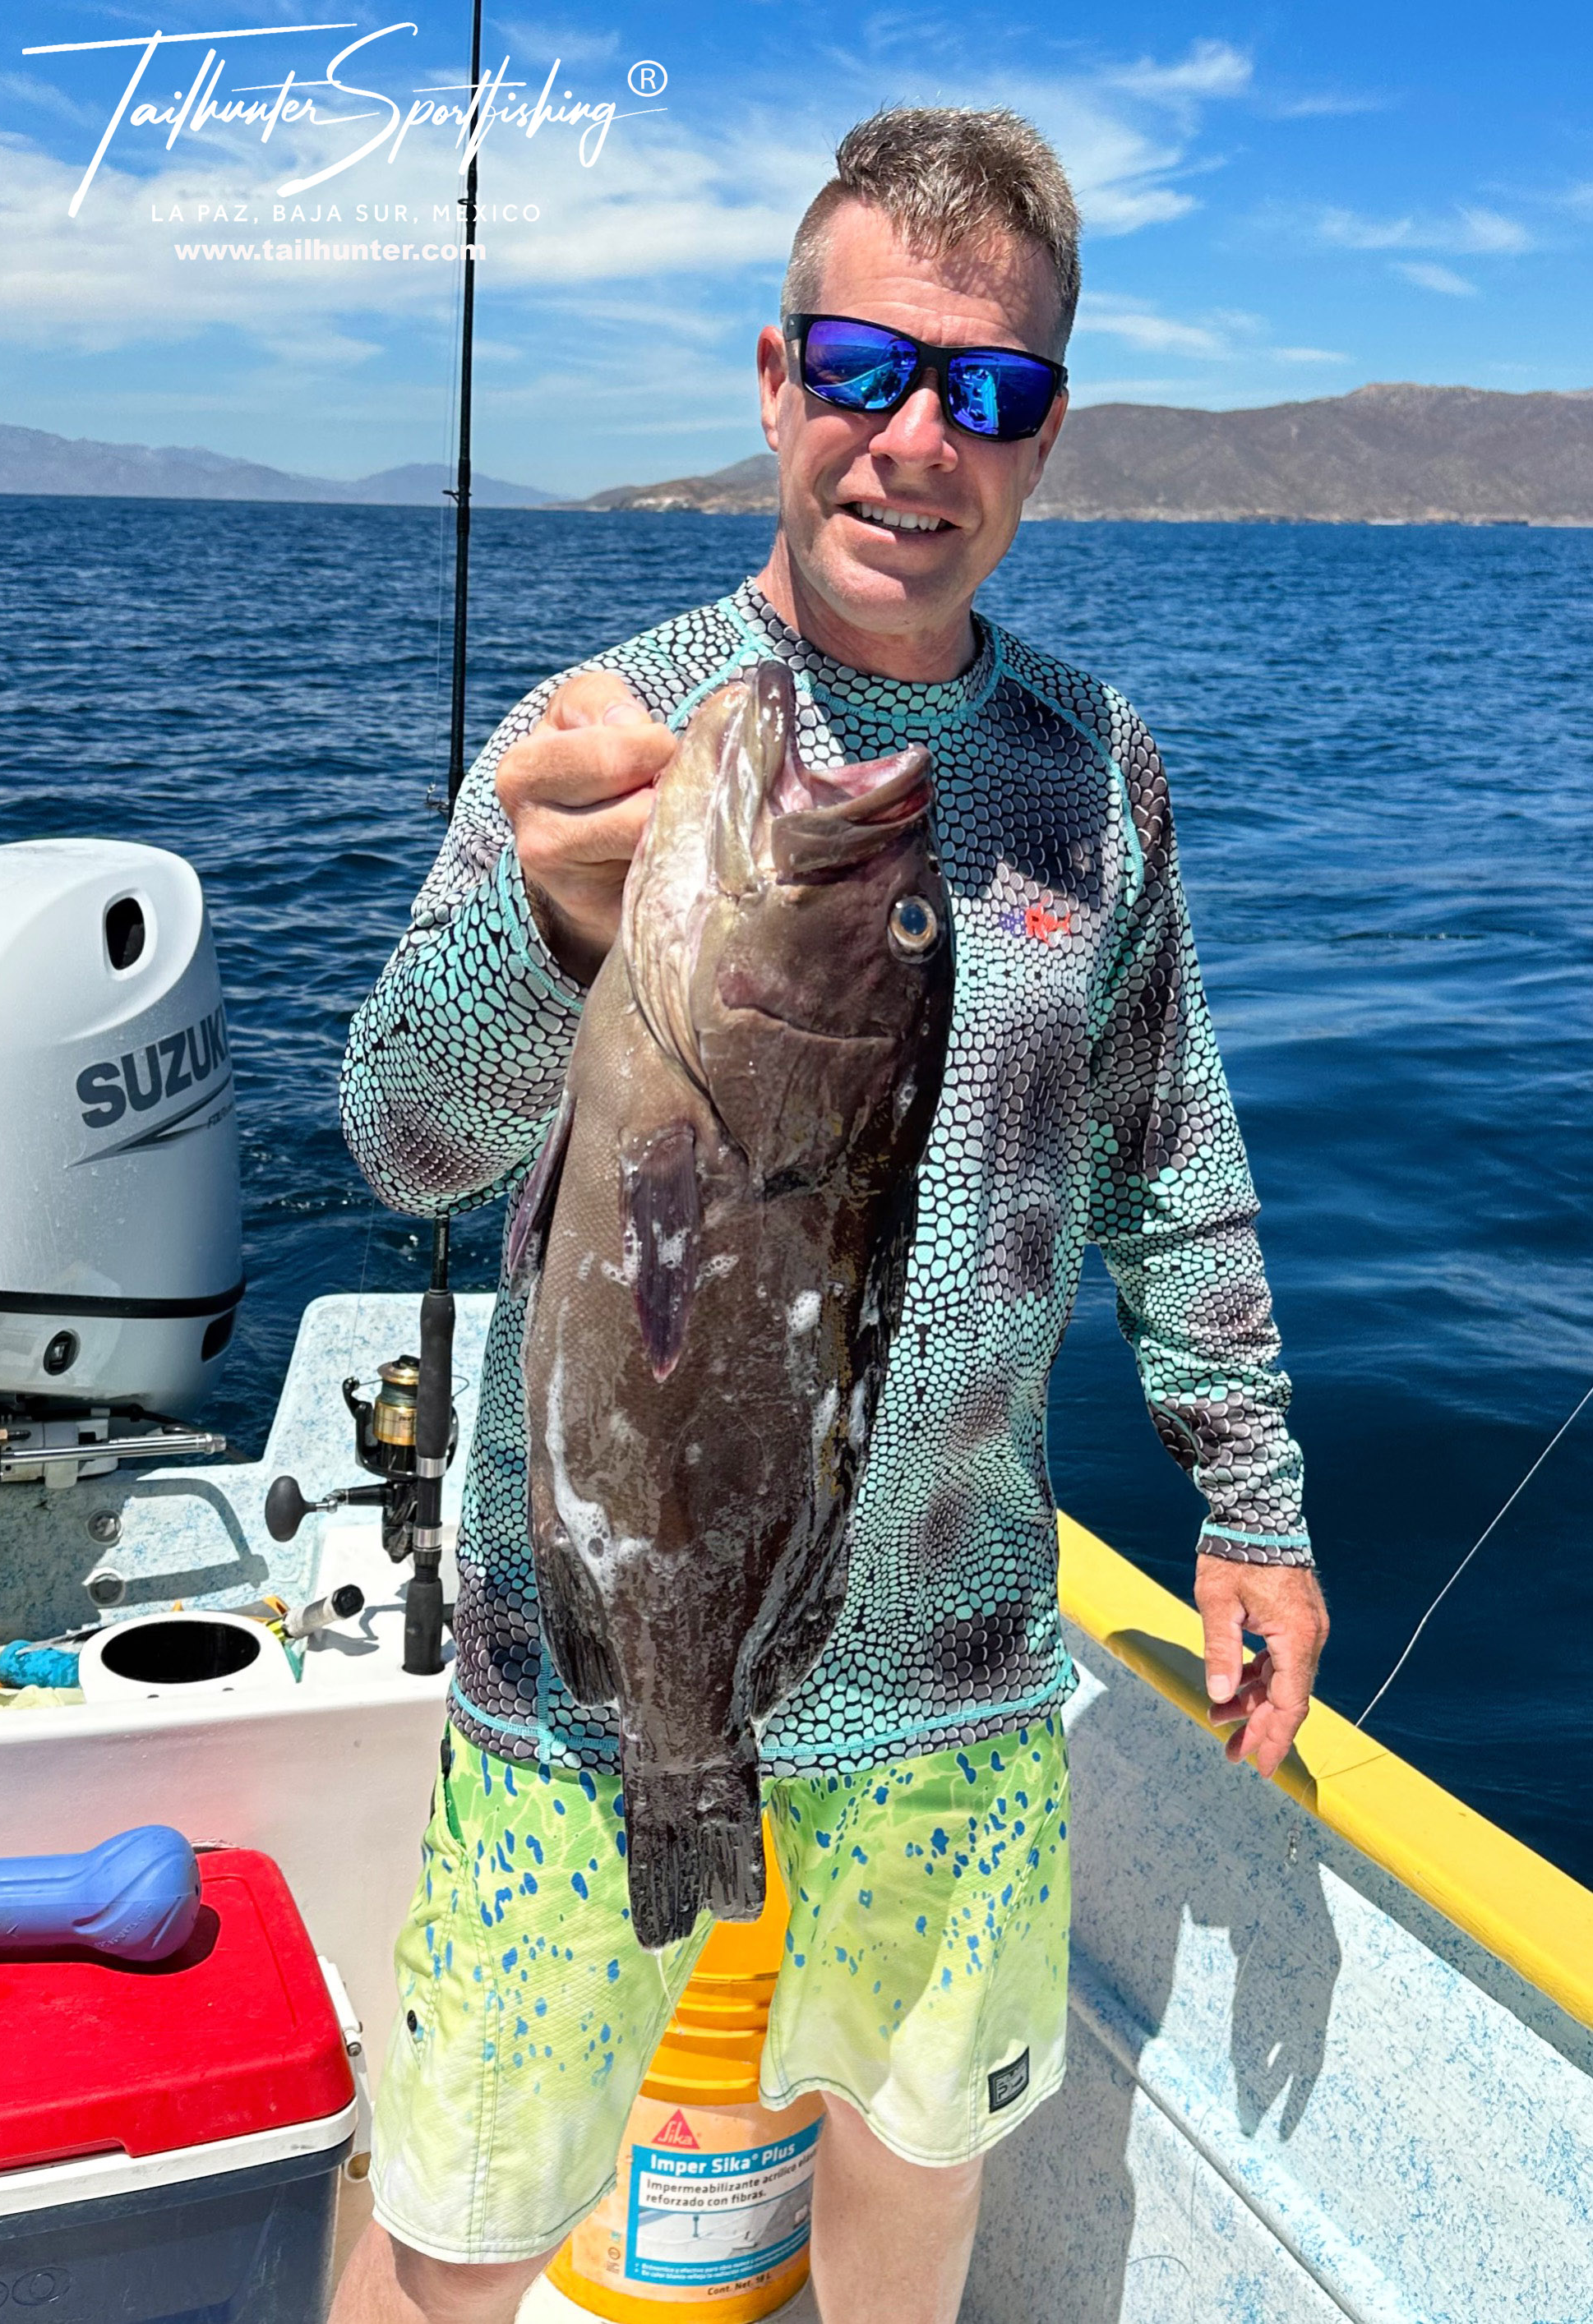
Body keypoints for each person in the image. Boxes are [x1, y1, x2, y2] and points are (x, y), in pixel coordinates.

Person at [333, 105, 1329, 2324]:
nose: (916, 438)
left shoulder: (1091, 769)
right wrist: (549, 934)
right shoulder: (610, 742)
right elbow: (400, 1142)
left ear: (1046, 431)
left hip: (952, 1670)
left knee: (917, 2170)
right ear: (780, 377)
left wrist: (1253, 1504)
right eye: (868, 365)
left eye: (989, 387)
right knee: (457, 2224)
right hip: (583, 1673)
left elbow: (1173, 1157)